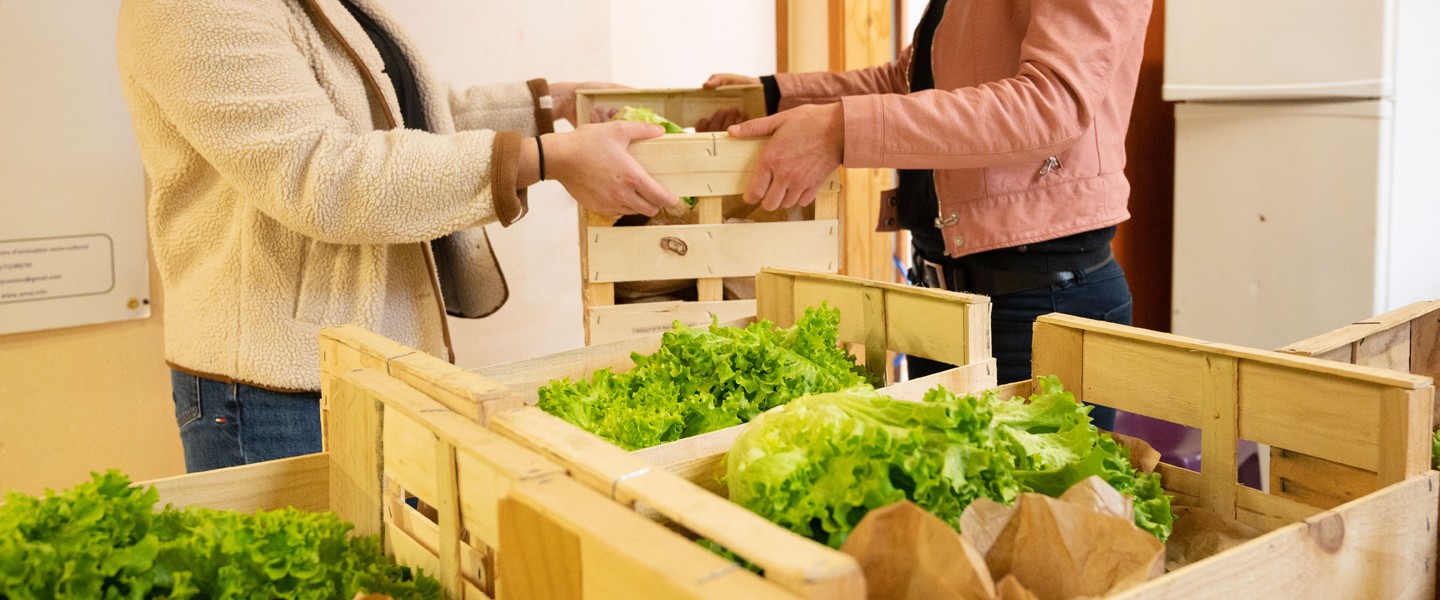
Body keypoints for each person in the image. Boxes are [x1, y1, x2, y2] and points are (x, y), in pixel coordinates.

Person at [117, 0, 678, 472]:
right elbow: (322, 176)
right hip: (273, 391)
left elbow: (394, 120)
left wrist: (547, 106)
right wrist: (540, 159)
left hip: (366, 360)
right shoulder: (191, 8)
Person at [704, 0, 1153, 429]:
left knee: (1037, 510)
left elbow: (1050, 102)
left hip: (1039, 305)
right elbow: (911, 78)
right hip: (941, 303)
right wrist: (774, 96)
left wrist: (842, 128)